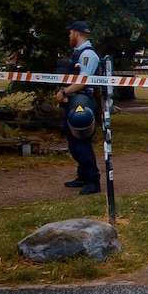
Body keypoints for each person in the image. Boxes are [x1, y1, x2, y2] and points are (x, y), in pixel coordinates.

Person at [55, 21, 102, 195]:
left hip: (82, 100)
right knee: (73, 142)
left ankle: (93, 179)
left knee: (81, 141)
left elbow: (83, 81)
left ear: (76, 33)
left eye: (70, 33)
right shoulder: (78, 54)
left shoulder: (88, 54)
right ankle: (82, 175)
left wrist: (64, 91)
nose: (69, 36)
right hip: (74, 100)